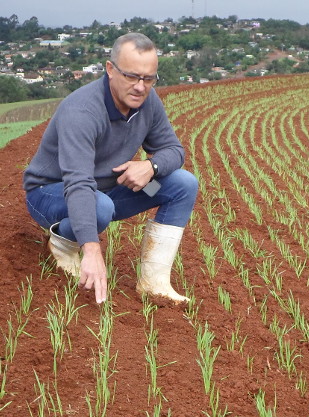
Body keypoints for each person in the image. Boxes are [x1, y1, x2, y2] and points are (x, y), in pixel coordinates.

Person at [23, 32, 198, 304]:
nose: (140, 86)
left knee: (183, 185)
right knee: (99, 206)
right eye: (131, 76)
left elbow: (174, 151)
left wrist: (150, 166)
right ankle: (61, 243)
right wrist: (91, 251)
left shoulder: (147, 102)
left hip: (109, 187)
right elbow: (78, 183)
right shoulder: (82, 111)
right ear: (110, 70)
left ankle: (154, 282)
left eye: (148, 78)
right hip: (51, 193)